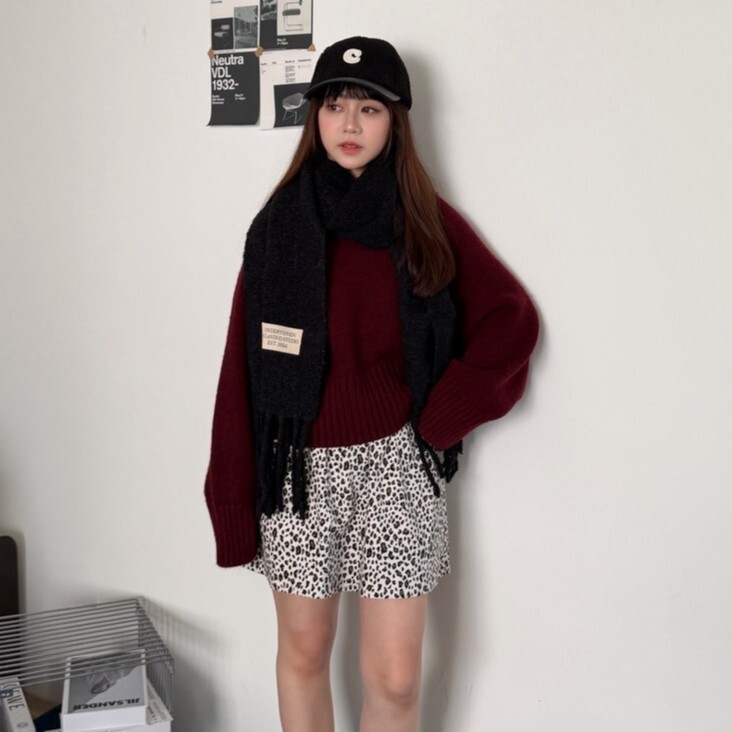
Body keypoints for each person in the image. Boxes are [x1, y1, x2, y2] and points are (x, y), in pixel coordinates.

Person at [205, 36, 539, 732]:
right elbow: (238, 371)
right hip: (297, 471)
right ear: (315, 118)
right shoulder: (276, 230)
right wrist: (230, 497)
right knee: (304, 653)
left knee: (395, 678)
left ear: (396, 121)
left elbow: (511, 321)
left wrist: (443, 416)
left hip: (396, 466)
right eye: (333, 107)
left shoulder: (423, 222)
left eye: (369, 108)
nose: (349, 124)